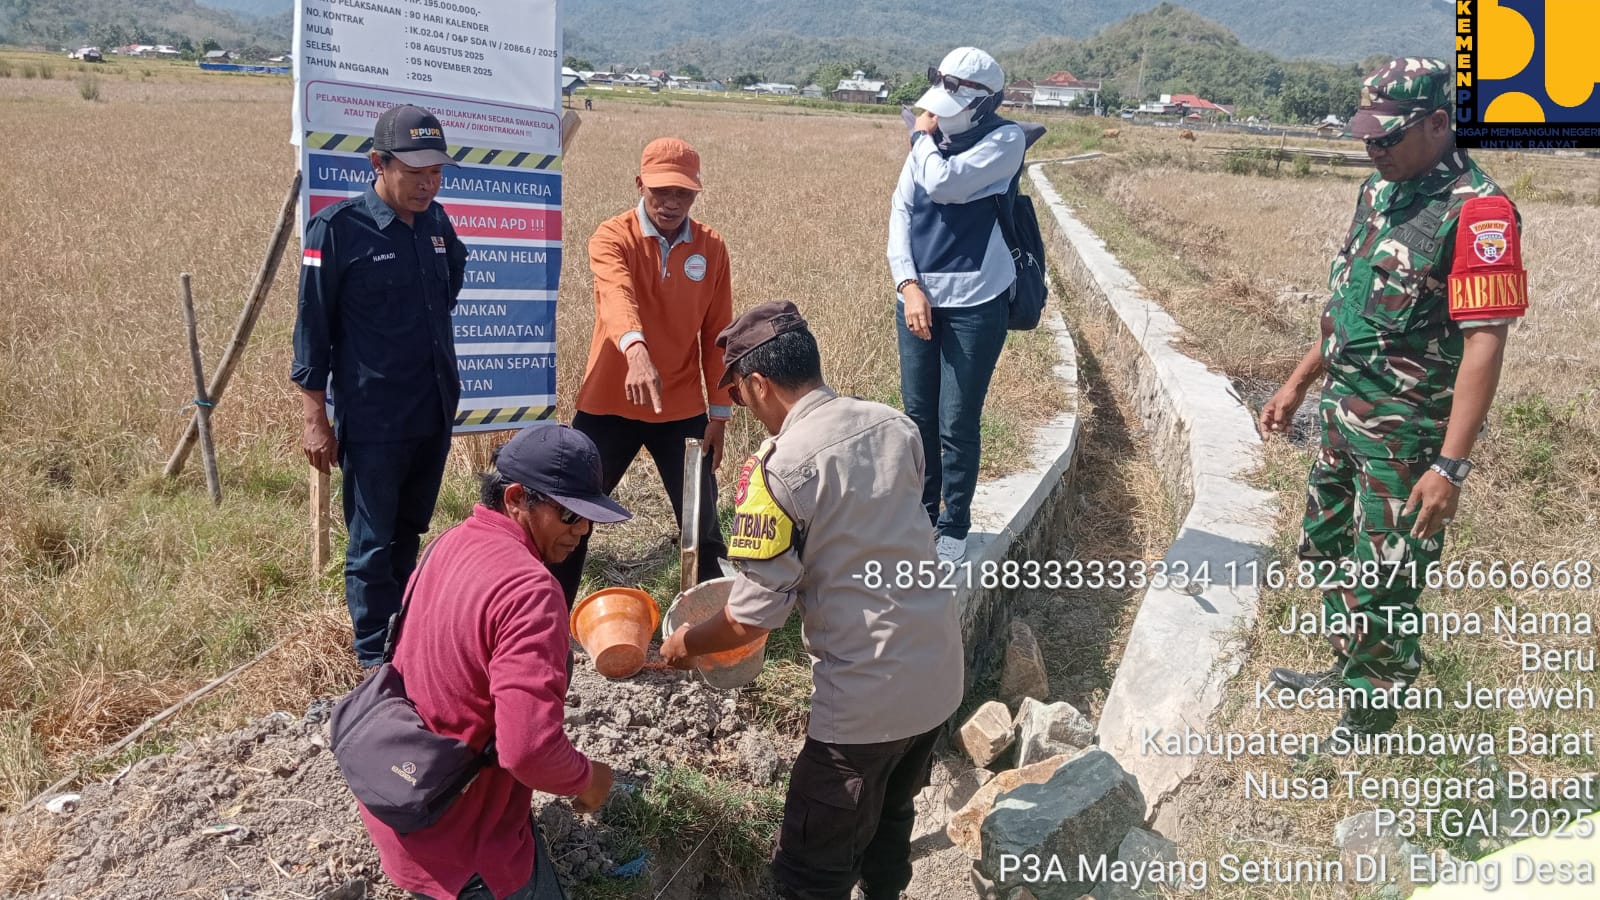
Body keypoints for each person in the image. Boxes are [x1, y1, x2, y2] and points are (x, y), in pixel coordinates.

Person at [1259, 58, 1529, 738]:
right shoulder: (1379, 192)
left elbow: (1485, 343)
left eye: (1387, 137)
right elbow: (1350, 309)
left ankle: (1371, 714)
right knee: (1325, 548)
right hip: (1341, 413)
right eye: (1366, 136)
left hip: (1406, 436)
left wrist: (1450, 467)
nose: (1372, 149)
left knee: (1387, 577)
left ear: (1438, 123)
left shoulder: (1479, 212)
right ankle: (1347, 664)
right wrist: (1298, 384)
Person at [661, 301, 964, 900]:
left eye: (738, 395)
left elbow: (750, 620)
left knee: (809, 869)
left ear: (758, 383)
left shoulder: (777, 470)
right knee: (890, 818)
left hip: (864, 702)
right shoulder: (894, 425)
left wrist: (684, 644)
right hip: (937, 676)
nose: (744, 408)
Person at [356, 422, 626, 900]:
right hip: (467, 848)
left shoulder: (448, 542)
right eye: (569, 514)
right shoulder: (531, 590)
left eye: (589, 517)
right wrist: (589, 779)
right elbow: (529, 751)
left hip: (402, 800)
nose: (583, 530)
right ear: (517, 498)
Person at [291, 103, 469, 667]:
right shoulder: (337, 230)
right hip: (374, 420)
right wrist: (315, 418)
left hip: (432, 410)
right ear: (378, 163)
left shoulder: (437, 224)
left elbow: (449, 288)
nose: (427, 184)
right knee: (371, 543)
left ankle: (403, 641)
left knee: (410, 531)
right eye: (415, 172)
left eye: (435, 172)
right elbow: (312, 329)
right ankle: (373, 659)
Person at [547, 137, 734, 605]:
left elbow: (718, 332)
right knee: (571, 514)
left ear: (696, 193)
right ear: (640, 184)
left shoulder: (711, 248)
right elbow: (617, 296)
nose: (671, 202)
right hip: (610, 402)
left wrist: (719, 413)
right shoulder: (613, 236)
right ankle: (546, 616)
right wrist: (636, 350)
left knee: (701, 523)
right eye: (661, 190)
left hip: (681, 407)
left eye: (683, 193)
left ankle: (711, 623)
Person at [888, 46, 1027, 563]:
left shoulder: (1005, 140)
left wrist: (920, 138)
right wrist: (908, 285)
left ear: (985, 103)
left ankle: (953, 524)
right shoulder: (929, 142)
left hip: (976, 299)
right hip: (919, 298)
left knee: (957, 419)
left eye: (953, 106)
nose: (940, 116)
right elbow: (901, 214)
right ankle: (921, 515)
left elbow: (944, 185)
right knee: (917, 415)